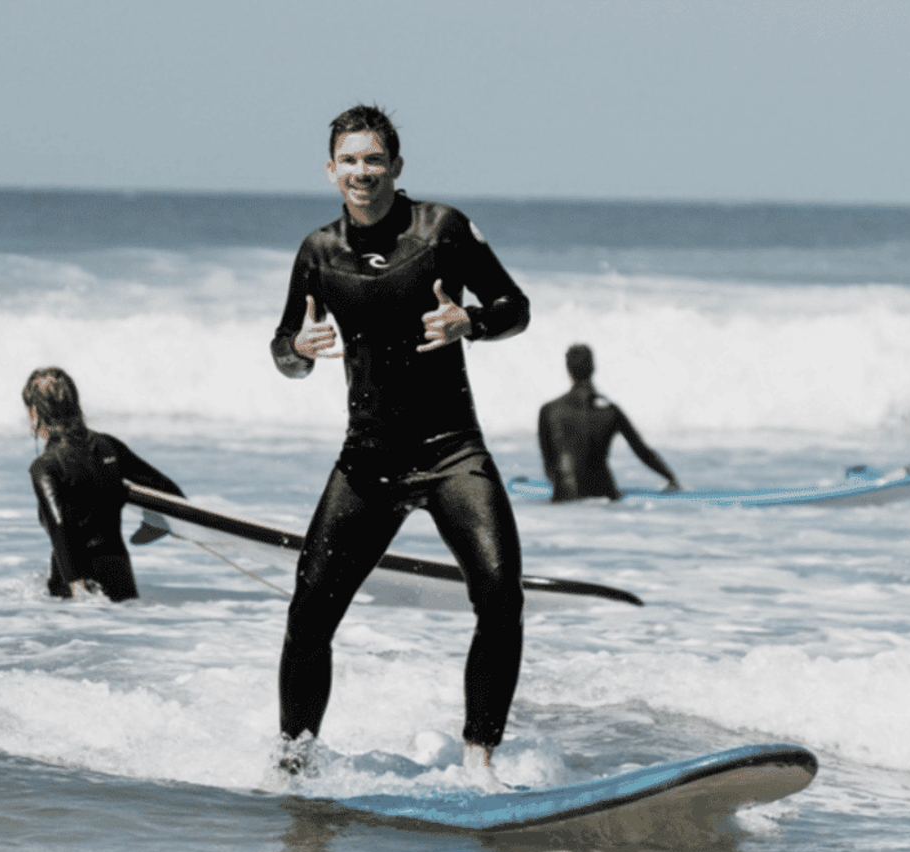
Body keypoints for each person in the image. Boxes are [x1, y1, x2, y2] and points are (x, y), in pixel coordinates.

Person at [269, 104, 531, 782]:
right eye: (349, 160)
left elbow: (514, 307)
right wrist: (296, 350)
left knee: (500, 594)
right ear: (331, 171)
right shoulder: (318, 253)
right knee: (308, 616)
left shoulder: (442, 229)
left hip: (451, 452)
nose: (362, 171)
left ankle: (479, 760)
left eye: (374, 158)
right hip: (368, 460)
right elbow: (283, 350)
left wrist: (469, 320)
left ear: (396, 166)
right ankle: (292, 763)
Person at [22, 366, 183, 603]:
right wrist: (162, 523)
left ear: (34, 413)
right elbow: (166, 488)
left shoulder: (45, 466)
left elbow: (60, 527)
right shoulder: (110, 447)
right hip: (121, 578)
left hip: (76, 586)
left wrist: (76, 585)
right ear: (77, 404)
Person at [537, 342, 681, 501]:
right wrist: (671, 478)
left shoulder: (549, 410)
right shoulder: (610, 411)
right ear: (593, 368)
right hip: (605, 496)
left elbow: (549, 465)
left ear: (568, 370)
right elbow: (642, 452)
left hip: (565, 499)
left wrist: (560, 485)